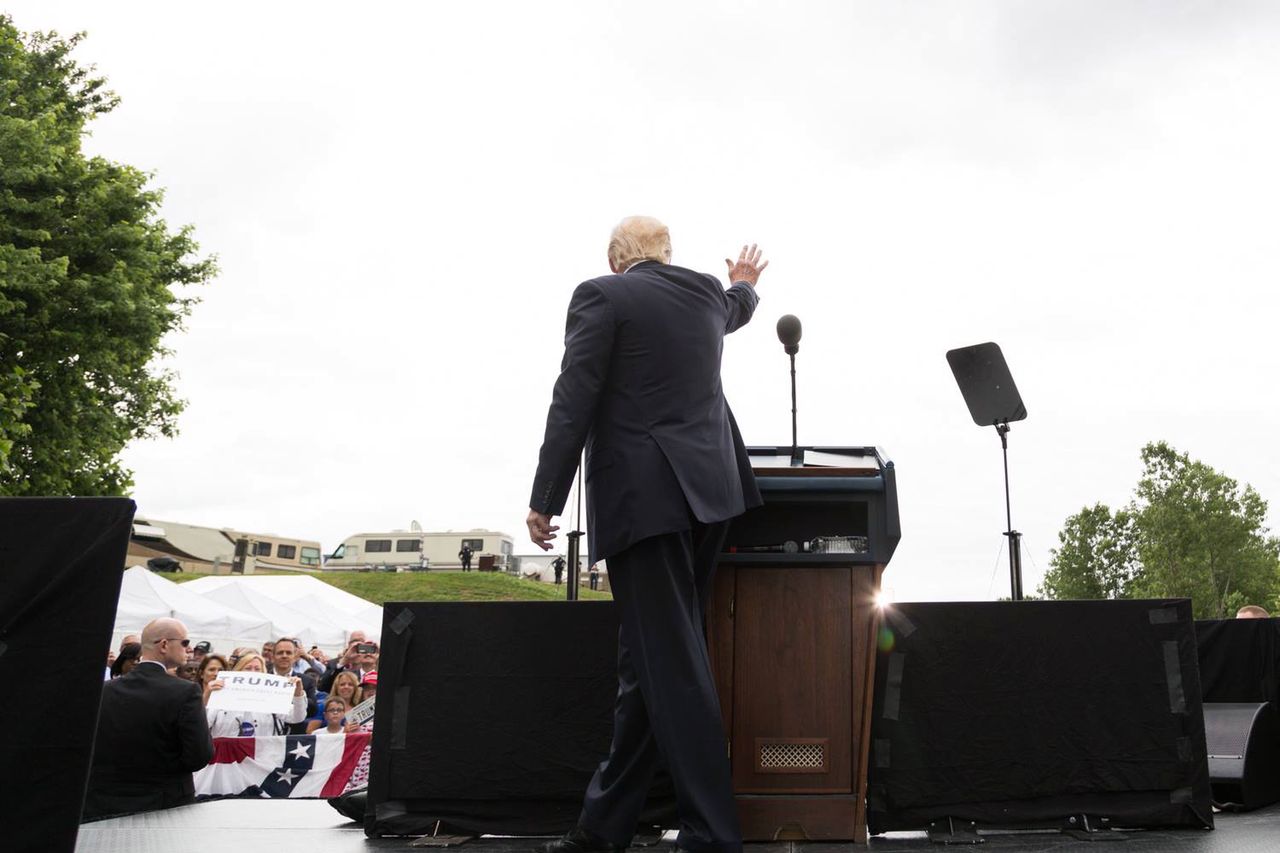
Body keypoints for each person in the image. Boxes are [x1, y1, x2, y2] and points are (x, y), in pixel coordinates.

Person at [527, 217, 766, 853]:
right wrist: (744, 282)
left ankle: (712, 835)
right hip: (712, 498)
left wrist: (545, 498)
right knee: (650, 663)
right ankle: (602, 829)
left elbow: (573, 396)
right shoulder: (708, 295)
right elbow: (737, 307)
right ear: (666, 253)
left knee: (674, 664)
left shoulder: (602, 296)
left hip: (647, 500)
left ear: (614, 260)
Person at [83, 618, 214, 820]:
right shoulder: (185, 692)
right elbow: (198, 756)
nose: (189, 649)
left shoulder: (104, 691)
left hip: (103, 803)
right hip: (164, 808)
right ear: (164, 645)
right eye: (185, 643)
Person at [205, 651, 307, 737]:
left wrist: (298, 694)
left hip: (261, 757)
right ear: (238, 671)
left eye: (257, 669)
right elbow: (203, 723)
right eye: (248, 668)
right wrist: (206, 695)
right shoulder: (222, 695)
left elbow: (297, 717)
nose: (253, 672)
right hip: (226, 757)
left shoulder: (272, 696)